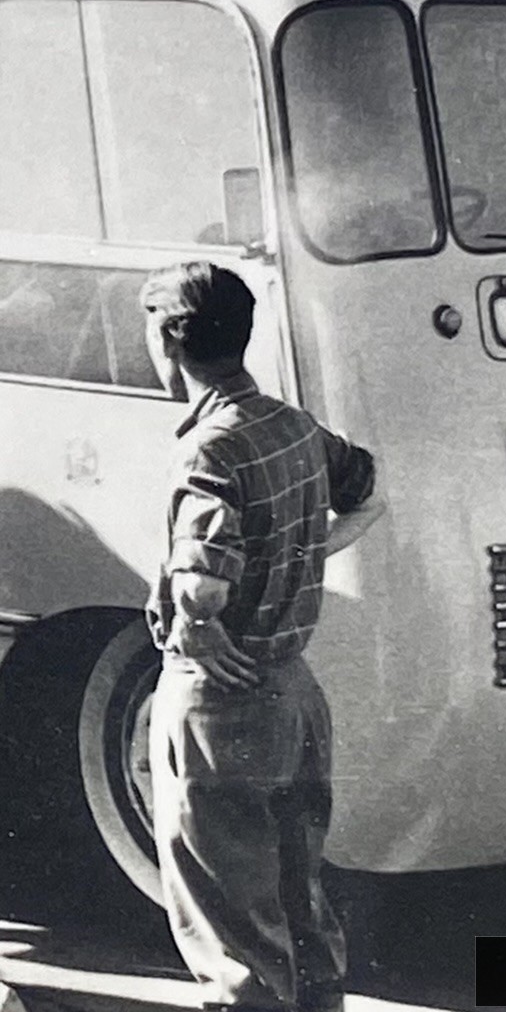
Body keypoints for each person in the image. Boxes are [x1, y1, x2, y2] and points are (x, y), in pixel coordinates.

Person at [140, 261, 383, 1012]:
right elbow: (369, 498)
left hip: (223, 702)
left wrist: (196, 623)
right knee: (300, 901)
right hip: (295, 695)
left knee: (233, 932)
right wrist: (305, 550)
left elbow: (202, 581)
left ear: (169, 340)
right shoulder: (293, 426)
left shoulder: (208, 448)